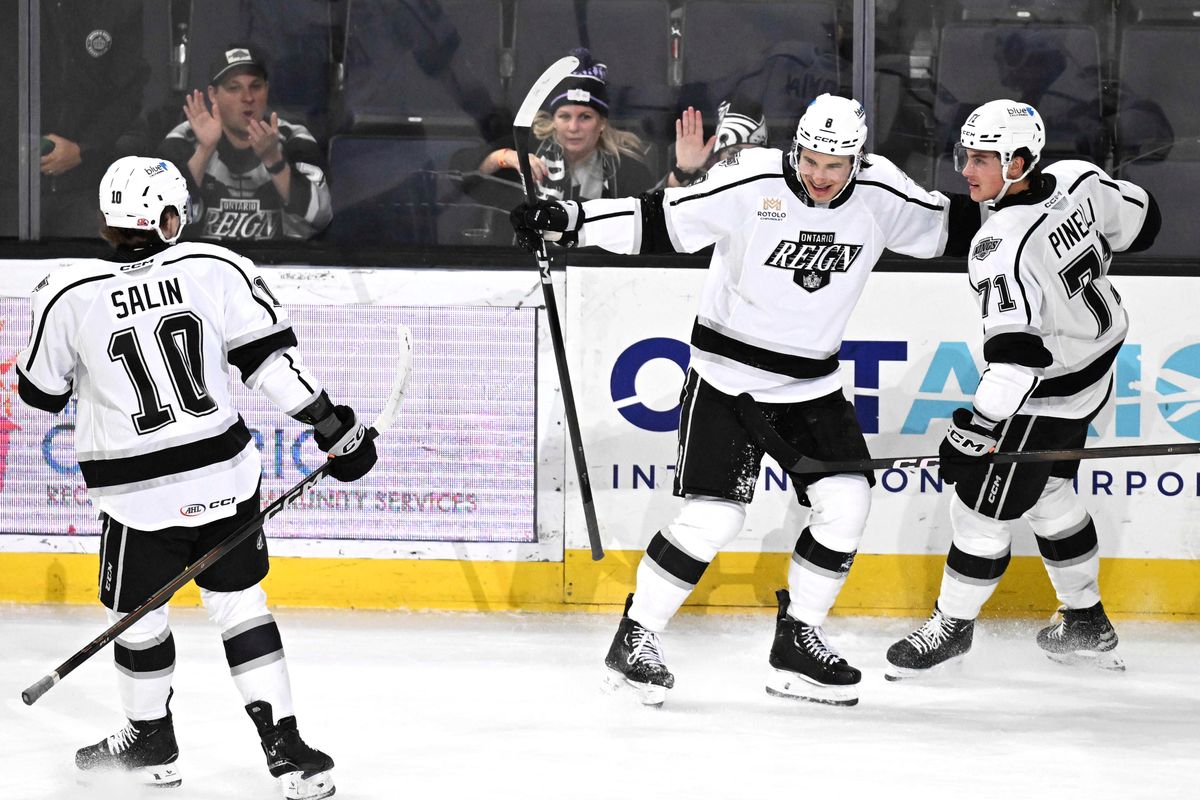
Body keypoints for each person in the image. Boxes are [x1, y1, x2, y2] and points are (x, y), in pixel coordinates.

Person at [511, 94, 982, 707]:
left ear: (857, 161)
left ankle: (797, 647)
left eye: (834, 166)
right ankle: (635, 640)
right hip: (726, 379)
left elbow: (959, 228)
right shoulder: (752, 177)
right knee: (714, 518)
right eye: (810, 159)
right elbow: (659, 221)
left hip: (813, 385)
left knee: (846, 504)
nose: (819, 175)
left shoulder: (881, 193)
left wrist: (1040, 220)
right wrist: (568, 220)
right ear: (797, 149)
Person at [15, 156, 376, 798]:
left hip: (136, 498)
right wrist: (331, 425)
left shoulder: (65, 293)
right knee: (241, 607)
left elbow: (38, 395)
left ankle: (150, 740)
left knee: (139, 616)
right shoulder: (215, 269)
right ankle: (287, 750)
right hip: (224, 478)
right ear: (168, 218)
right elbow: (269, 367)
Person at [884, 100, 1160, 680]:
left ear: (1018, 162)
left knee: (979, 510)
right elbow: (1144, 222)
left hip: (1045, 393)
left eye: (982, 159)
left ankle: (952, 625)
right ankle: (1085, 618)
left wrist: (976, 430)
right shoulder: (1078, 178)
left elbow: (1015, 359)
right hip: (1095, 369)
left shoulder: (999, 244)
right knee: (1049, 491)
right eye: (966, 155)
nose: (966, 171)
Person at [158, 44, 332, 242]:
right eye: (234, 88)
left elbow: (321, 218)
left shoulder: (294, 138)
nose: (247, 98)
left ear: (267, 89)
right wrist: (204, 151)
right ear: (213, 95)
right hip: (202, 268)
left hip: (278, 268)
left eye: (256, 86)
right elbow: (161, 226)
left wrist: (274, 161)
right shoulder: (184, 139)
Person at [469, 48, 655, 201]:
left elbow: (654, 213)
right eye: (564, 116)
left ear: (602, 124)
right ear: (553, 121)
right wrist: (505, 157)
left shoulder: (626, 168)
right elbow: (468, 180)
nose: (573, 127)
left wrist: (680, 174)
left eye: (585, 117)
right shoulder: (527, 147)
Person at [38, 0, 148, 238]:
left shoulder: (117, 7)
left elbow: (128, 94)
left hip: (84, 186)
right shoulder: (13, 10)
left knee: (87, 270)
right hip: (11, 187)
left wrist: (83, 149)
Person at [665, 96, 768, 188]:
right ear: (717, 156)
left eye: (754, 155)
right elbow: (655, 206)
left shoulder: (777, 188)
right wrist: (682, 173)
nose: (742, 162)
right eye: (734, 153)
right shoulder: (702, 187)